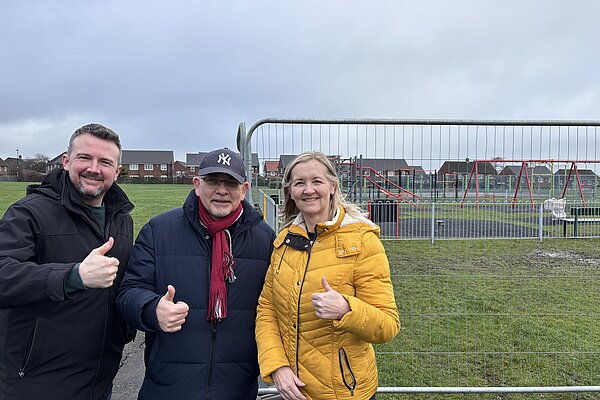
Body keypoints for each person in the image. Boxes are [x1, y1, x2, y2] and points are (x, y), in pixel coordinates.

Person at [117, 147, 275, 399]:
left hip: (236, 387)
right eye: (213, 181)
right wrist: (152, 309)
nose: (222, 190)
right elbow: (128, 293)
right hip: (169, 386)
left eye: (231, 183)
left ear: (244, 190)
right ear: (197, 185)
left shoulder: (265, 239)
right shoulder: (158, 231)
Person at [0, 123, 135, 400]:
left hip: (99, 377)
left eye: (105, 162)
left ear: (117, 171)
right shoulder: (29, 213)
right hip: (37, 382)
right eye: (85, 157)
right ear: (66, 161)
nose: (94, 168)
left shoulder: (122, 219)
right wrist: (73, 276)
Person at [255, 151, 400, 400]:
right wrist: (277, 366)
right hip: (295, 390)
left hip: (345, 392)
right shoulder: (284, 242)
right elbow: (267, 310)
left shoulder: (362, 242)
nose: (308, 190)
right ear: (290, 191)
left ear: (332, 186)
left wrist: (347, 309)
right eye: (299, 183)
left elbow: (388, 325)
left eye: (316, 181)